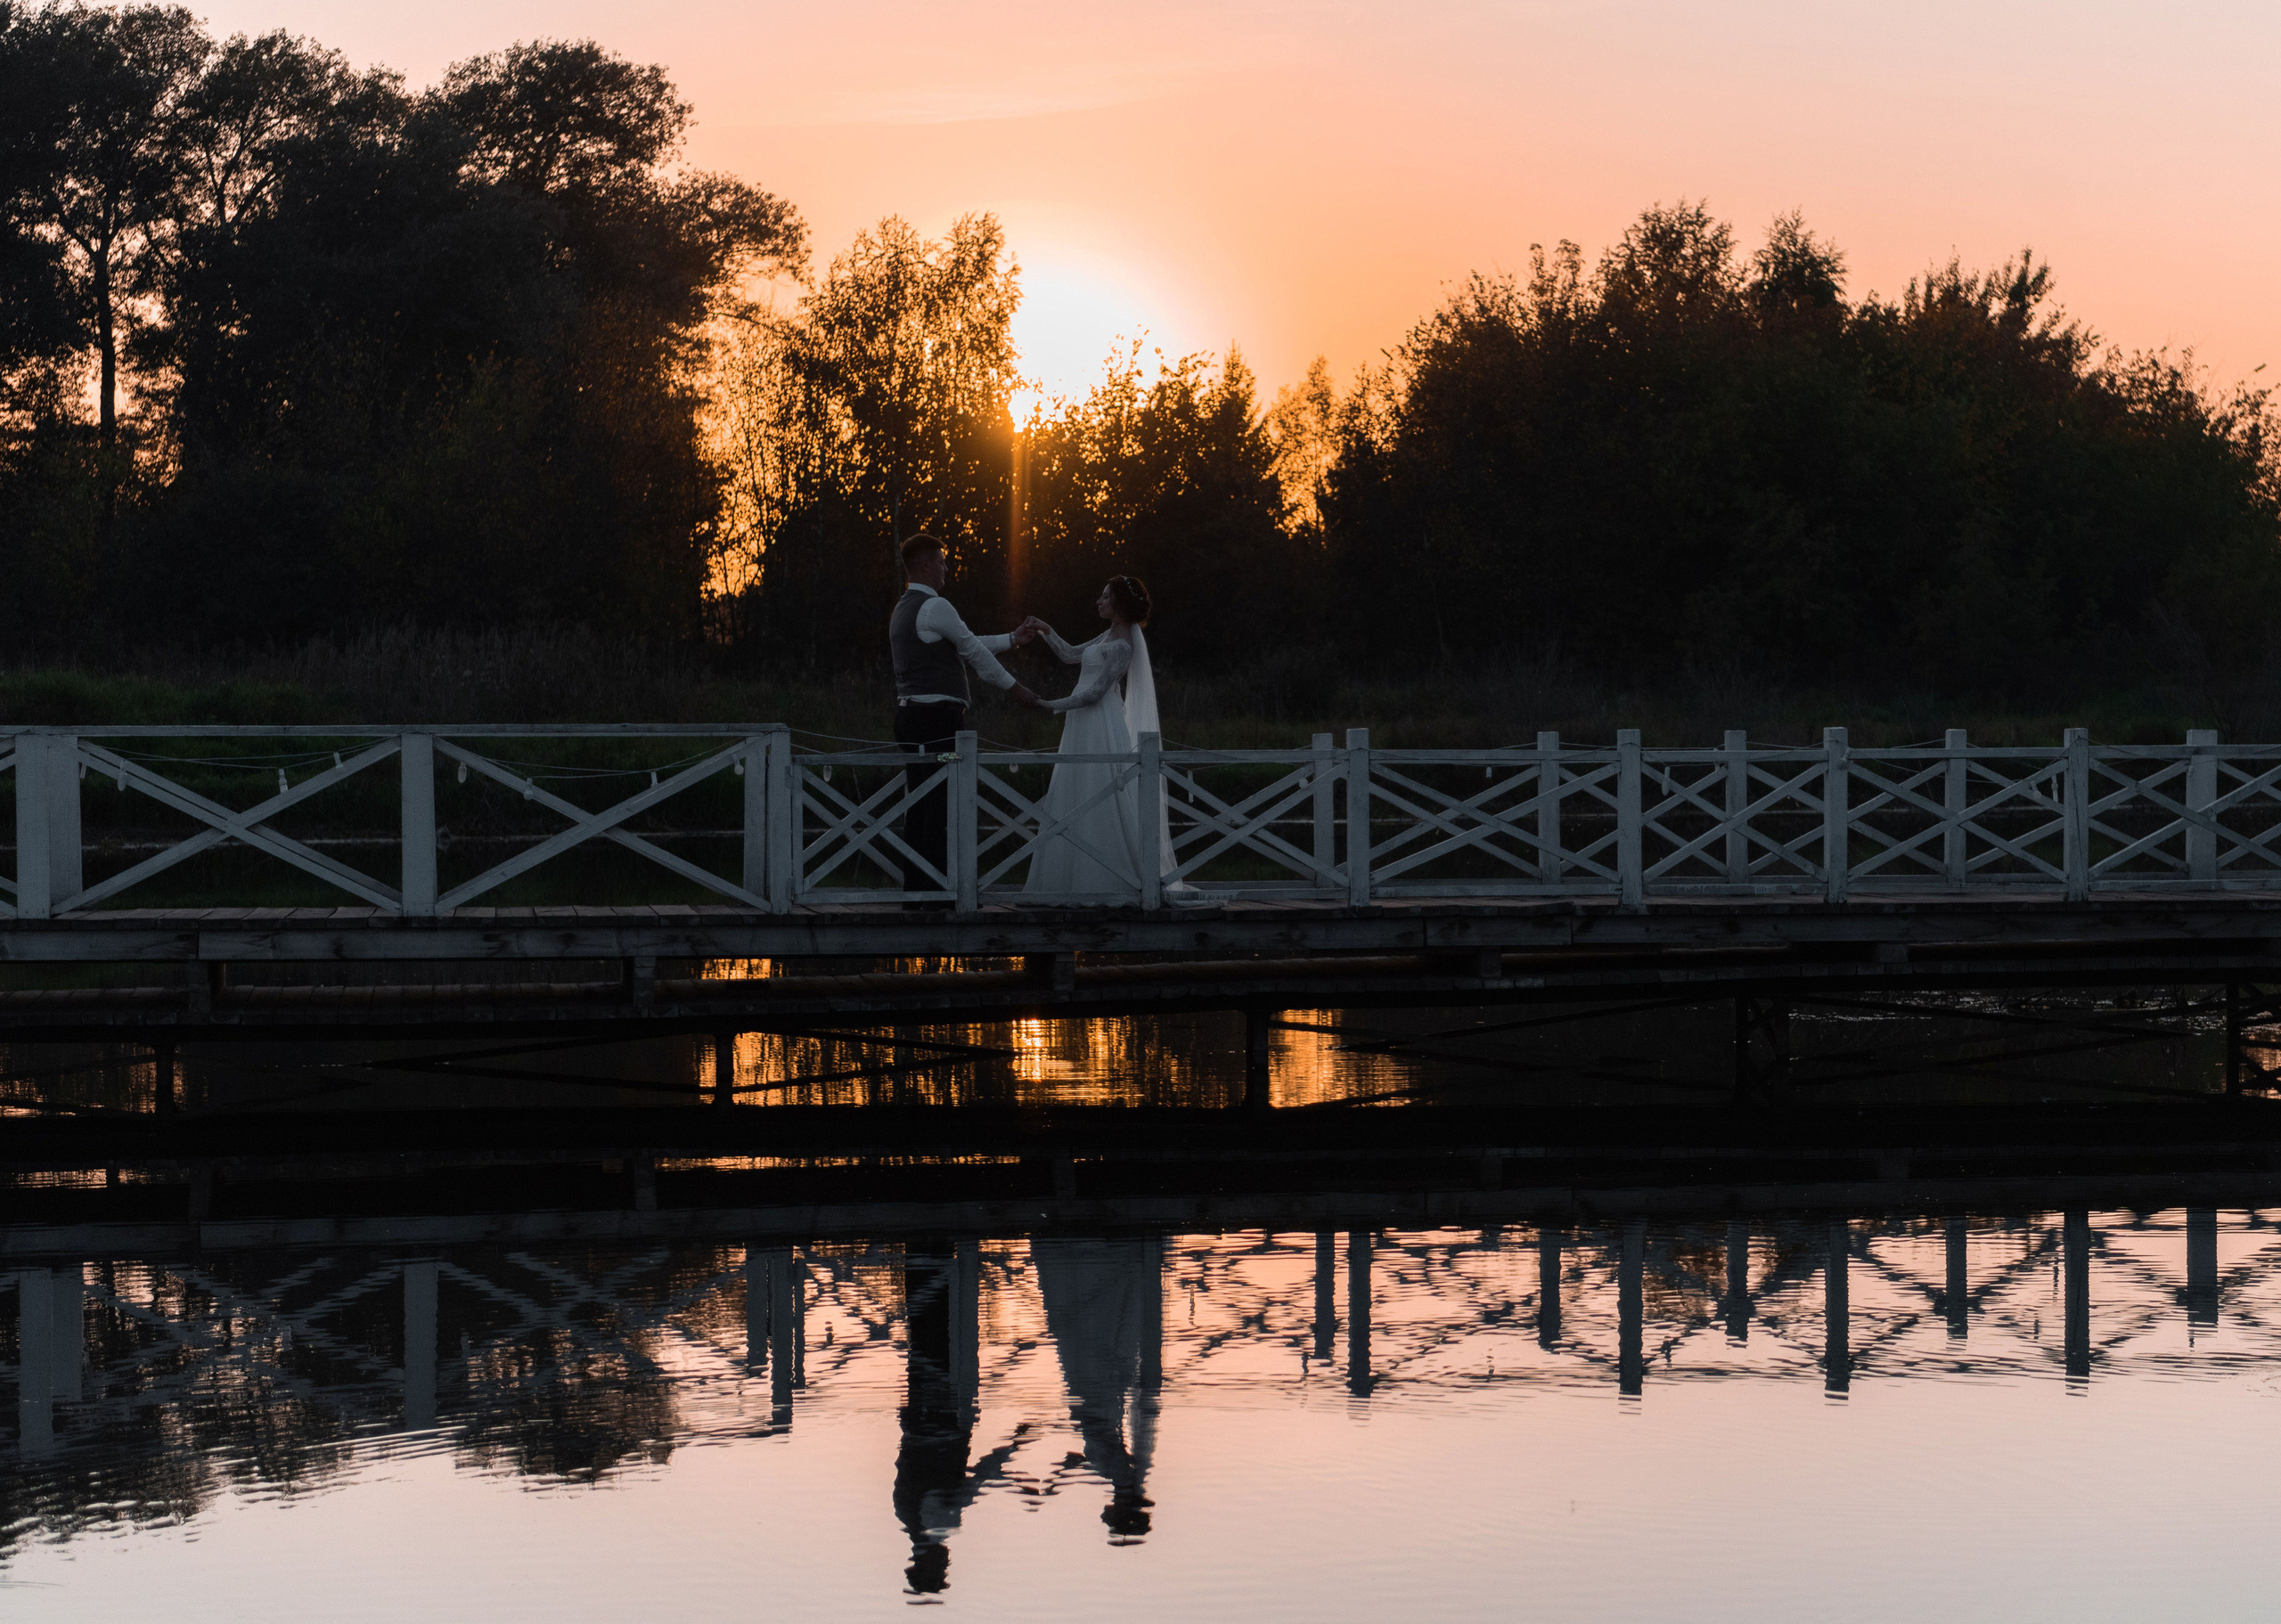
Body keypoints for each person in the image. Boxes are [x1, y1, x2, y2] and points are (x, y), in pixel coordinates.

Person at [1018, 575, 1194, 901]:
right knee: (1076, 786)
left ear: (1119, 605)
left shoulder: (1123, 645)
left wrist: (1050, 705)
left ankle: (1107, 877)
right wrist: (1045, 630)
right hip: (1081, 720)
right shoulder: (1108, 635)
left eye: (1105, 597)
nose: (1098, 602)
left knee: (1100, 786)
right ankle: (1068, 878)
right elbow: (1070, 654)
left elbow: (1095, 693)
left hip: (1099, 720)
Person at [889, 535, 1041, 903]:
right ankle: (937, 894)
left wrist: (1012, 639)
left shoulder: (903, 608)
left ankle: (918, 892)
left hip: (911, 719)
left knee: (921, 803)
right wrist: (1016, 688)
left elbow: (965, 641)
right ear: (924, 564)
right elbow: (972, 650)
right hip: (938, 723)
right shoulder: (935, 606)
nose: (946, 568)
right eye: (941, 561)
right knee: (941, 802)